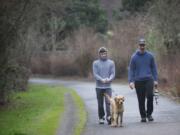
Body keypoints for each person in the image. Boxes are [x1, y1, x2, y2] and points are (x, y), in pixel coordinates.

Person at [128, 38, 158, 122]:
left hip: (149, 79)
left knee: (150, 96)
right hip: (138, 81)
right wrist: (130, 81)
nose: (142, 47)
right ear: (138, 46)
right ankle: (143, 116)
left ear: (145, 45)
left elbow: (154, 68)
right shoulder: (134, 57)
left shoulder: (150, 56)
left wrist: (155, 79)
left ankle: (149, 114)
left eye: (143, 45)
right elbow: (131, 70)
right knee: (141, 99)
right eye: (141, 45)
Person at [92, 47, 115, 124]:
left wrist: (109, 79)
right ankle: (101, 117)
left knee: (109, 103)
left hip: (108, 86)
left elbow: (112, 73)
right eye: (102, 53)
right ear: (99, 54)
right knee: (100, 103)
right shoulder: (95, 63)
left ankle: (109, 117)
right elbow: (95, 74)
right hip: (99, 87)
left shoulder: (111, 63)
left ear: (106, 53)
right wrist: (101, 79)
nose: (103, 55)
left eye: (105, 53)